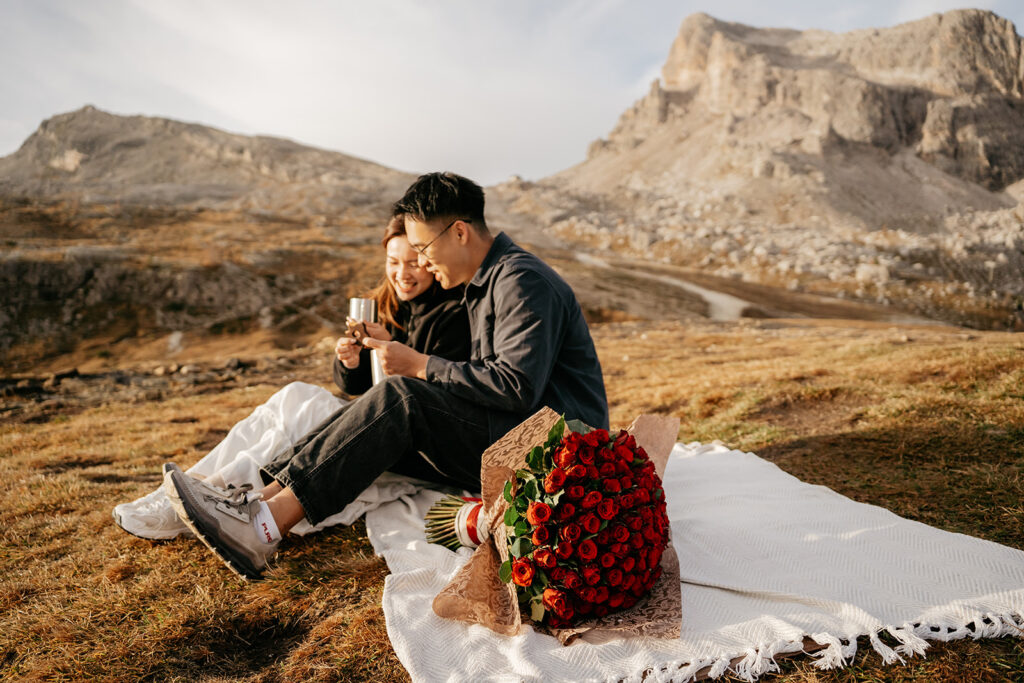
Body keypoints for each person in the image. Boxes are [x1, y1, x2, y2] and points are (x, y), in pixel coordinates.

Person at [165, 171, 608, 580]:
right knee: (378, 414)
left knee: (402, 398)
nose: (419, 261)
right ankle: (259, 503)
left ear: (459, 231)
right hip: (519, 436)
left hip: (558, 452)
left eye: (422, 248)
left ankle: (262, 529)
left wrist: (419, 366)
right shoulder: (485, 284)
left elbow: (515, 386)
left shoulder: (520, 281)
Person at [113, 215, 469, 540]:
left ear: (429, 258)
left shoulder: (450, 314)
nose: (402, 273)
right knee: (294, 396)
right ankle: (189, 491)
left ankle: (215, 498)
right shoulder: (387, 304)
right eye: (393, 262)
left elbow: (415, 399)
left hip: (403, 440)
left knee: (308, 411)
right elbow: (357, 388)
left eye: (413, 262)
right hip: (377, 417)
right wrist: (350, 363)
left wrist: (393, 349)